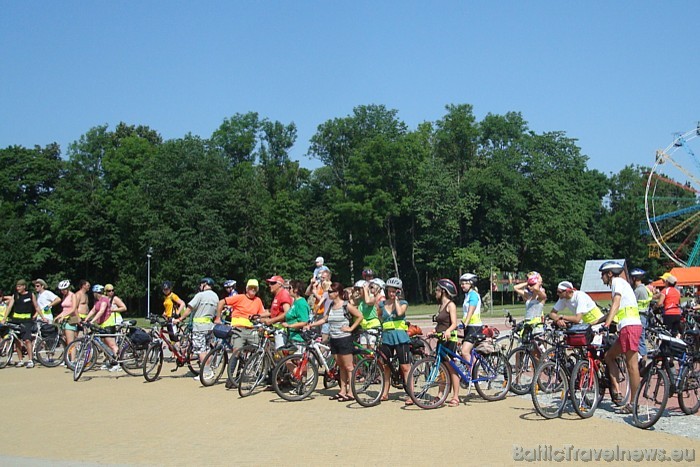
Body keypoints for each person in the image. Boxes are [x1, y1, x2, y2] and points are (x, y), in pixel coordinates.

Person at [600, 261, 642, 414]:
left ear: (609, 274)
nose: (601, 278)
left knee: (632, 366)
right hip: (626, 327)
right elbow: (614, 308)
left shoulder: (617, 282)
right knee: (609, 356)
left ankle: (633, 403)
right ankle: (617, 391)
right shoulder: (622, 284)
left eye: (602, 275)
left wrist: (607, 324)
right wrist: (597, 321)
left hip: (629, 326)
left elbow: (616, 304)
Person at [307, 282, 362, 401]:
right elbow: (325, 319)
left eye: (331, 292)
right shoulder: (331, 305)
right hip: (334, 339)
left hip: (344, 339)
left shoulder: (346, 305)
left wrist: (351, 329)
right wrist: (311, 325)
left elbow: (359, 316)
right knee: (341, 366)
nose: (329, 294)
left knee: (349, 367)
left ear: (337, 293)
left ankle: (351, 392)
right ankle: (342, 390)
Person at [216, 279, 268, 388]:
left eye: (255, 288)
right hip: (239, 328)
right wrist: (218, 317)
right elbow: (221, 302)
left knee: (259, 350)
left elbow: (262, 314)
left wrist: (264, 322)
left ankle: (254, 372)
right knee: (237, 351)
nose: (253, 290)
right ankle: (231, 377)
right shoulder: (239, 297)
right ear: (246, 289)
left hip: (252, 328)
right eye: (251, 288)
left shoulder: (258, 301)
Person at [174, 278, 219, 381]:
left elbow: (189, 309)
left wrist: (180, 319)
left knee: (200, 350)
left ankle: (205, 372)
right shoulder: (215, 296)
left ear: (205, 284)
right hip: (209, 326)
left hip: (199, 327)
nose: (199, 286)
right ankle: (209, 370)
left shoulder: (200, 295)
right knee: (207, 349)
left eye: (201, 284)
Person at [379, 277, 411, 402]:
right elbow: (380, 316)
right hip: (387, 337)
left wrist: (397, 299)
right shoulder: (382, 304)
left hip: (400, 337)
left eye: (394, 291)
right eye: (390, 291)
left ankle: (410, 393)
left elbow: (399, 313)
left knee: (405, 367)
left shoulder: (403, 303)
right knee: (386, 366)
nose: (391, 294)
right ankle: (385, 392)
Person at [432, 279, 461, 407]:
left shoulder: (451, 305)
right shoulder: (441, 306)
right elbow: (441, 323)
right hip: (441, 339)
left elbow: (454, 323)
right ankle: (441, 394)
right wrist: (434, 331)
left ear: (443, 291)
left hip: (450, 340)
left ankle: (456, 396)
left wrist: (448, 331)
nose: (435, 292)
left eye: (437, 290)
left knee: (451, 367)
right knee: (441, 368)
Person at [3, 279, 42, 368]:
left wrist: (43, 317)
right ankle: (20, 360)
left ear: (24, 286)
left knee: (27, 340)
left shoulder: (30, 294)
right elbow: (9, 307)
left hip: (27, 321)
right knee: (16, 340)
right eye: (17, 286)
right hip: (15, 320)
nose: (18, 288)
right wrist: (4, 318)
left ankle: (30, 359)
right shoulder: (15, 295)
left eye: (19, 286)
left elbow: (36, 307)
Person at [85, 284, 120, 370]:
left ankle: (117, 363)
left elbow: (101, 311)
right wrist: (86, 320)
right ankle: (109, 361)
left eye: (94, 293)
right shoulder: (97, 301)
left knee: (112, 345)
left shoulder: (104, 300)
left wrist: (92, 321)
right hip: (102, 325)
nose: (93, 294)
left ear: (97, 292)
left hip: (108, 324)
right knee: (104, 345)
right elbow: (93, 310)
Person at [266, 280, 310, 347]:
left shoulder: (301, 303)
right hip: (291, 336)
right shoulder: (295, 302)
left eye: (289, 288)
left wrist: (289, 325)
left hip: (298, 338)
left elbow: (304, 322)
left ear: (296, 290)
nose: (287, 290)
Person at [459, 273, 482, 364]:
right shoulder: (467, 295)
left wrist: (466, 322)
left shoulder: (473, 295)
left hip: (474, 327)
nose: (462, 285)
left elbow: (471, 310)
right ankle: (472, 372)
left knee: (464, 351)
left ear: (471, 283)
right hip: (469, 327)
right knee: (466, 352)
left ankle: (475, 373)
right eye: (462, 283)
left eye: (465, 283)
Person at [53, 280, 78, 363]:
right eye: (61, 290)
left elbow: (73, 308)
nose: (62, 291)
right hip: (64, 319)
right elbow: (65, 309)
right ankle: (68, 357)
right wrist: (58, 316)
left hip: (70, 319)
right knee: (66, 340)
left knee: (71, 341)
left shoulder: (72, 295)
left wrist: (64, 316)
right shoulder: (64, 296)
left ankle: (73, 360)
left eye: (64, 289)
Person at [630, 268, 652, 362]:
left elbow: (631, 303)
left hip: (639, 316)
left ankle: (644, 360)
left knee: (640, 339)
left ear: (634, 278)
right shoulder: (645, 289)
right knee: (641, 338)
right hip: (645, 315)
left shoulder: (638, 291)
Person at [352, 280, 381, 349]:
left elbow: (368, 301)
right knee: (363, 348)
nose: (358, 292)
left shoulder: (372, 298)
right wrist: (353, 294)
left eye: (359, 289)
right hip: (364, 327)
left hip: (373, 326)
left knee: (372, 347)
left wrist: (365, 289)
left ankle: (374, 359)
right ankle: (366, 360)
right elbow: (352, 304)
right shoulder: (360, 301)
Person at [654, 273, 682, 337]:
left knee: (667, 333)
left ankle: (665, 346)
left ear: (667, 282)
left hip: (669, 313)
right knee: (674, 333)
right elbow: (679, 302)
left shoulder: (665, 290)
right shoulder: (677, 291)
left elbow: (660, 303)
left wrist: (655, 306)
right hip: (677, 313)